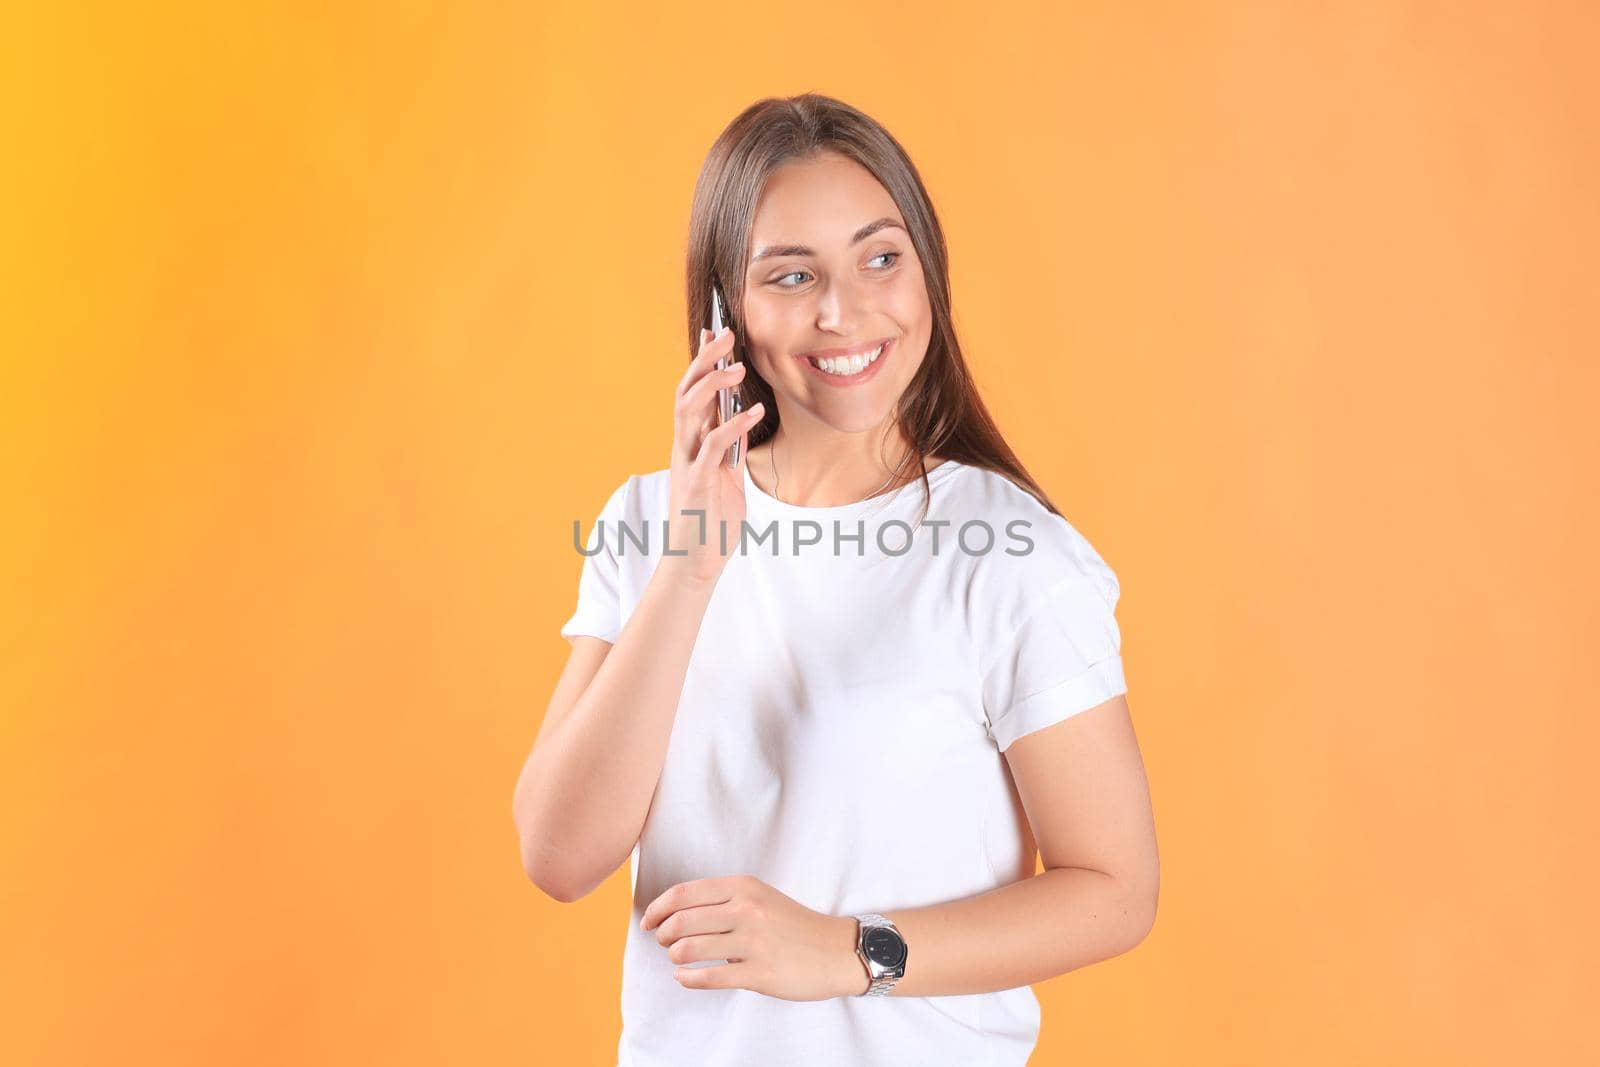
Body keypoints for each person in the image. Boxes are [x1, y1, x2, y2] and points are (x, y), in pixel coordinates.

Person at [514, 93, 1159, 1067]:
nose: (842, 310)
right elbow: (560, 855)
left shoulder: (1009, 554)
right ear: (724, 308)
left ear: (926, 272)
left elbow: (1114, 886)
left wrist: (848, 948)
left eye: (879, 257)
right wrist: (690, 566)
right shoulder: (648, 522)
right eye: (790, 274)